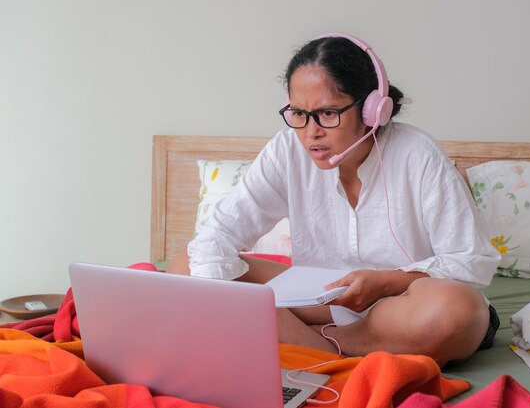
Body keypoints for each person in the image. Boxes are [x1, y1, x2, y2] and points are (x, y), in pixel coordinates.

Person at [172, 33, 501, 366]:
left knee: (458, 310)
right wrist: (216, 295)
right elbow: (218, 234)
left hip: (403, 305)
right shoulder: (286, 151)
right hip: (322, 298)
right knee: (186, 267)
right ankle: (328, 353)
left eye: (327, 114)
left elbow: (471, 262)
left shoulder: (419, 155)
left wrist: (388, 281)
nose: (310, 132)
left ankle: (303, 345)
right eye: (299, 114)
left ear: (373, 110)